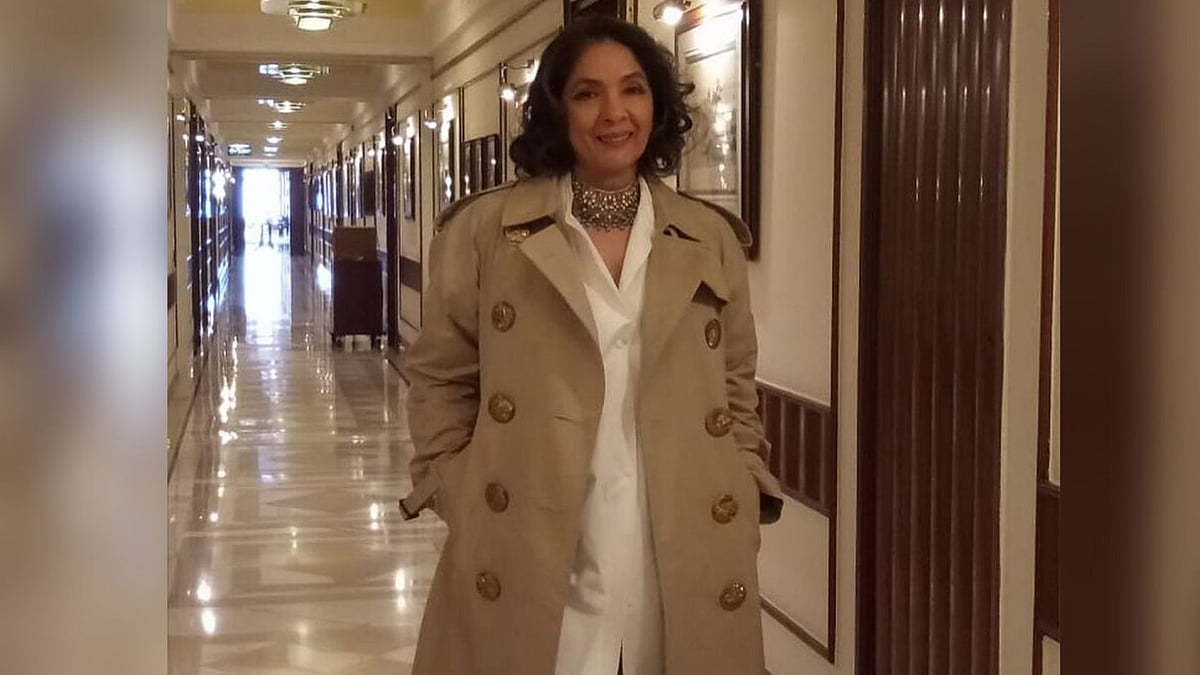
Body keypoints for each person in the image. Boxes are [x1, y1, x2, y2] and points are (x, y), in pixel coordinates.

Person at [398, 15, 783, 675]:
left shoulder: (708, 236)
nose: (614, 113)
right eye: (587, 93)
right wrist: (457, 488)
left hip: (679, 545)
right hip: (531, 539)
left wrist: (743, 481)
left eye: (633, 90)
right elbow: (439, 377)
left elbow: (736, 384)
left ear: (657, 105)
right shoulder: (486, 231)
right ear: (557, 108)